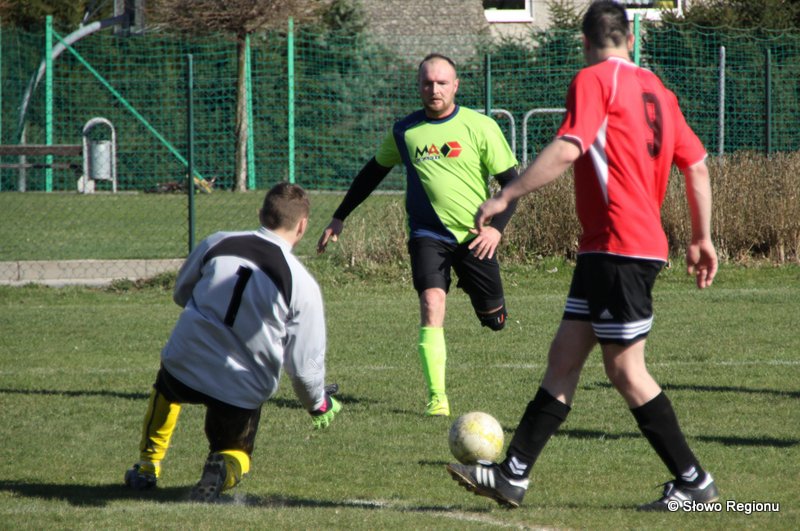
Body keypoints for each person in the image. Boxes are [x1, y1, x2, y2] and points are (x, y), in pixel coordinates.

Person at [447, 1, 719, 511]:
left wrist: (507, 195)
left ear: (585, 42)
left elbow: (570, 145)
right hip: (613, 248)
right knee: (565, 358)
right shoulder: (659, 90)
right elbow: (698, 165)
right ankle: (512, 476)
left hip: (619, 246)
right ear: (631, 40)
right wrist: (702, 237)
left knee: (626, 372)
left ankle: (695, 483)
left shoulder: (594, 79)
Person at [317, 53, 520, 417]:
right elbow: (372, 173)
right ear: (419, 86)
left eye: (442, 83)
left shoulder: (481, 126)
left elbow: (512, 185)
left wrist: (496, 230)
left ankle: (489, 308)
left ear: (456, 86)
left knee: (494, 320)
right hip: (427, 235)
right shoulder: (405, 131)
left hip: (475, 236)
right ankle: (437, 398)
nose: (434, 89)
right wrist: (339, 217)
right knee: (431, 302)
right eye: (427, 83)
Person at [124, 182, 342, 503]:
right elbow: (303, 365)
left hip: (186, 360)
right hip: (241, 385)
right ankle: (220, 469)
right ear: (303, 226)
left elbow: (181, 293)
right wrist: (317, 404)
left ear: (260, 214)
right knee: (237, 452)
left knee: (167, 391)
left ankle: (147, 467)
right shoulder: (301, 283)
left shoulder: (218, 241)